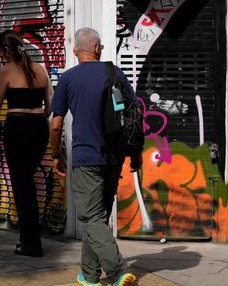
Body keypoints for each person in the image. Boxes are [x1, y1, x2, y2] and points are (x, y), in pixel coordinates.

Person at [50, 27, 140, 286]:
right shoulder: (115, 73)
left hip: (86, 158)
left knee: (91, 217)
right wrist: (135, 154)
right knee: (98, 217)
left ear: (75, 50)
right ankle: (88, 275)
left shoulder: (68, 79)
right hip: (114, 158)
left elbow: (56, 125)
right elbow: (132, 117)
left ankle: (118, 271)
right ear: (98, 48)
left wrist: (56, 154)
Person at [0, 30, 52, 257]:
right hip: (39, 127)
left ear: (6, 50)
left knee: (22, 186)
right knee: (27, 182)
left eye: (1, 51)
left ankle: (31, 243)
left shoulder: (6, 70)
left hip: (17, 127)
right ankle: (26, 239)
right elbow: (49, 106)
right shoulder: (41, 69)